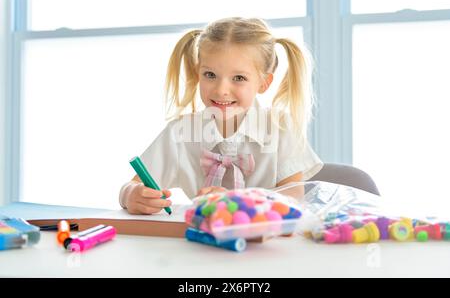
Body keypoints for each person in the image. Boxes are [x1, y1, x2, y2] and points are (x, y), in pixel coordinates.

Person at [119, 17, 323, 214]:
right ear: (198, 73)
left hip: (266, 244)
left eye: (239, 78)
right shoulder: (181, 132)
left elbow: (294, 202)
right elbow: (135, 184)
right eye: (210, 75)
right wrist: (130, 195)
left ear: (263, 83)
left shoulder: (281, 128)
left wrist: (238, 204)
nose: (221, 90)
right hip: (201, 245)